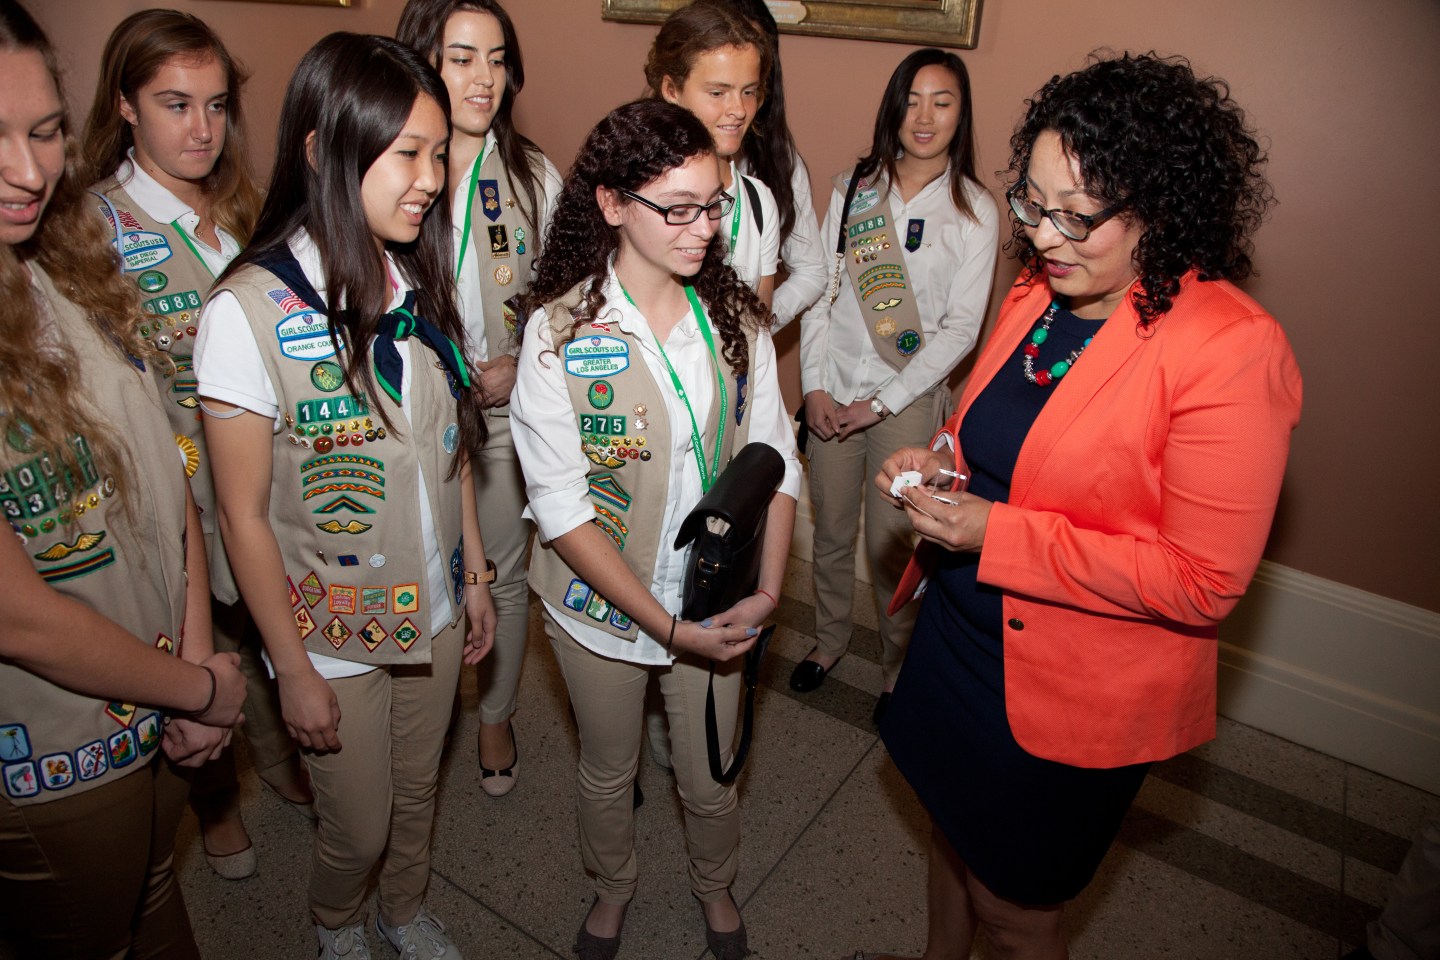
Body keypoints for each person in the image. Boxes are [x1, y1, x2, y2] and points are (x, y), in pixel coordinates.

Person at [861, 53, 1302, 960]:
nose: (1045, 235)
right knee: (949, 830)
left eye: (1077, 216)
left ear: (1162, 209)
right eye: (1031, 201)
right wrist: (940, 463)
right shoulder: (1041, 289)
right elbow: (998, 436)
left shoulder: (1230, 350)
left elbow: (1203, 581)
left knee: (1018, 909)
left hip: (1069, 692)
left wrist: (995, 531)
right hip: (958, 638)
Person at [195, 32, 495, 960]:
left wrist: (476, 574)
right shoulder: (246, 314)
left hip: (437, 603)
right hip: (331, 630)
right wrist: (292, 669)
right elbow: (241, 515)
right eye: (407, 152)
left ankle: (402, 909)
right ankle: (336, 923)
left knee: (417, 796)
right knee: (356, 823)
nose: (431, 178)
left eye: (439, 153)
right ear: (326, 149)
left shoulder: (414, 275)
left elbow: (444, 451)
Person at [511, 98, 800, 960]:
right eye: (676, 208)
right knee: (610, 769)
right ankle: (613, 890)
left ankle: (716, 889)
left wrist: (770, 593)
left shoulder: (738, 320)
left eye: (712, 204)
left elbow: (775, 461)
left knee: (711, 778)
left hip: (714, 599)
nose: (703, 227)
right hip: (598, 606)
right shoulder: (557, 331)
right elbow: (561, 511)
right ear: (609, 205)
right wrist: (662, 627)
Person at [0, 2, 246, 956]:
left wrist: (189, 675)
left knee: (152, 901)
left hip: (155, 692)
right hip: (56, 749)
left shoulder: (57, 264)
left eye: (44, 132)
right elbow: (18, 616)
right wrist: (197, 685)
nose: (29, 171)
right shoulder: (100, 225)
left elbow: (161, 458)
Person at [80, 7, 311, 882]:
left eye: (216, 106)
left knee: (266, 623)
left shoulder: (245, 204)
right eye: (176, 105)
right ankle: (216, 808)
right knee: (200, 646)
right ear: (127, 107)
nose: (202, 129)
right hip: (174, 489)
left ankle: (279, 756)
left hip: (263, 473)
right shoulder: (91, 231)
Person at [792, 48, 998, 723]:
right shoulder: (855, 187)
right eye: (911, 99)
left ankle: (897, 665)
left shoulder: (973, 210)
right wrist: (816, 387)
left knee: (894, 543)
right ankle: (827, 640)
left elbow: (961, 330)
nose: (924, 116)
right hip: (833, 393)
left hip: (905, 407)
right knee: (828, 534)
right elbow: (820, 293)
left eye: (941, 101)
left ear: (961, 113)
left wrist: (877, 403)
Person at [396, 0, 562, 799]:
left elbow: (565, 298)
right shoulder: (389, 164)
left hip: (496, 417)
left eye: (497, 59)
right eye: (462, 57)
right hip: (402, 417)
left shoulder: (532, 174)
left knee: (496, 570)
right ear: (422, 57)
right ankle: (406, 717)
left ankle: (493, 712)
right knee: (416, 565)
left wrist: (519, 358)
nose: (484, 78)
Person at [644, 0, 780, 305]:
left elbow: (757, 334)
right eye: (717, 93)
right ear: (671, 89)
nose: (738, 110)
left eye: (748, 92)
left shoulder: (759, 202)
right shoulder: (636, 195)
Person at [706, 0, 826, 329]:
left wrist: (752, 327)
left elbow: (812, 270)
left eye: (749, 84)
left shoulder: (777, 162)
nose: (736, 107)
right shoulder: (642, 158)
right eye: (719, 88)